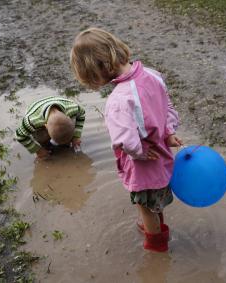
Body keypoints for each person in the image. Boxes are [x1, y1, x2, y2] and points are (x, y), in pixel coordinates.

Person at [70, 28, 182, 252]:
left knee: (145, 207)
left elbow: (124, 141)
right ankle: (158, 228)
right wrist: (169, 132)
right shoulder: (152, 74)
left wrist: (139, 152)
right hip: (163, 157)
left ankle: (156, 246)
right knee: (156, 201)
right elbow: (166, 105)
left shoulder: (118, 100)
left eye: (93, 77)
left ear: (99, 67)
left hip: (143, 165)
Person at [15, 96, 85, 159]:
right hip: (36, 113)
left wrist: (76, 136)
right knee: (41, 137)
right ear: (45, 127)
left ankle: (67, 141)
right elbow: (19, 135)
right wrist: (38, 150)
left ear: (68, 117)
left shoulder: (73, 108)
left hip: (61, 104)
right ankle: (45, 144)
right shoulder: (31, 122)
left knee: (65, 133)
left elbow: (82, 114)